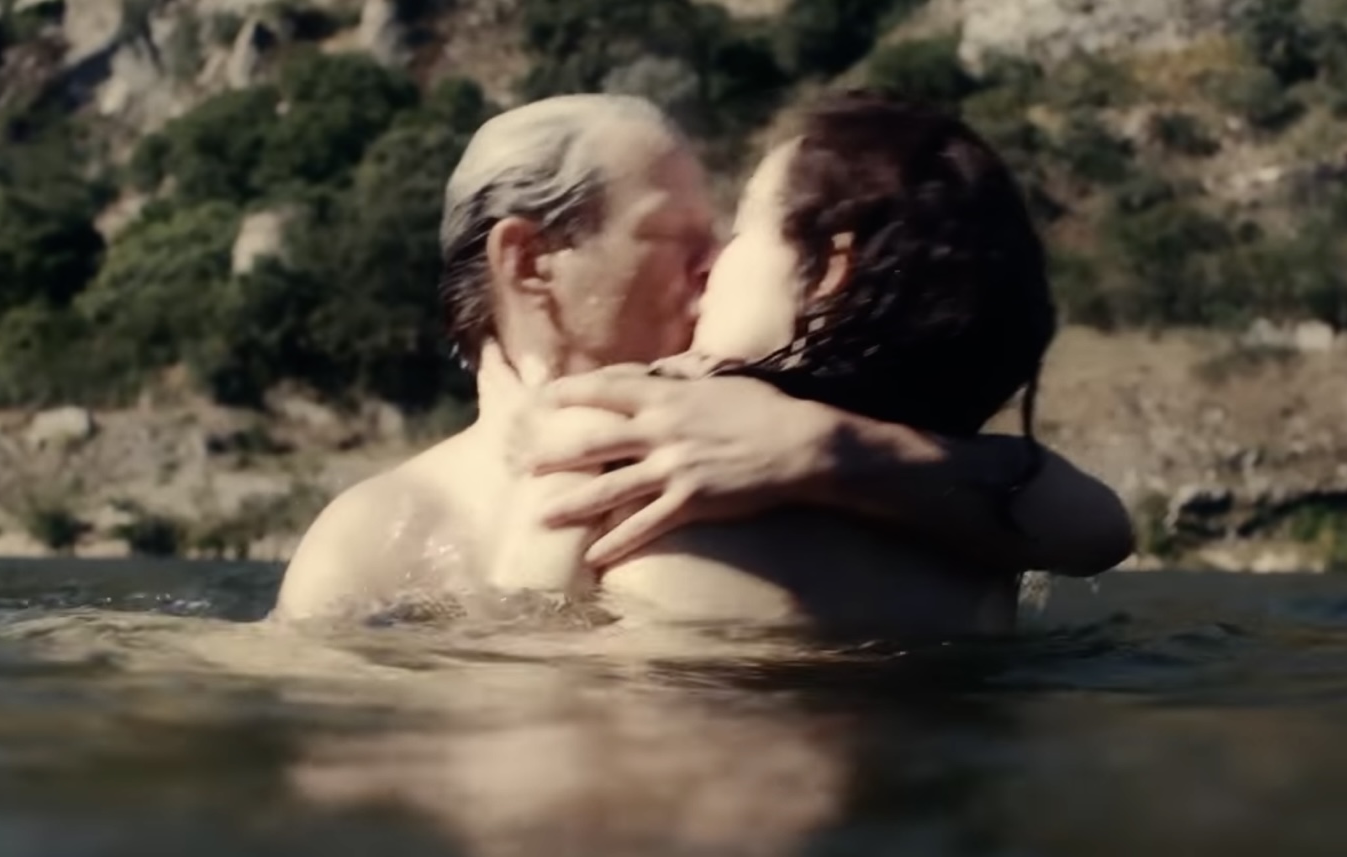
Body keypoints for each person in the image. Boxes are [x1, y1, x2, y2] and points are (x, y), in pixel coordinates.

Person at [271, 93, 1133, 627]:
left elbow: (1092, 526)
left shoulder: (852, 448)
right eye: (673, 238)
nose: (712, 264)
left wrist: (823, 451)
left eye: (729, 235)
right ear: (529, 261)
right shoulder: (371, 534)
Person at [488, 91, 1062, 635]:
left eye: (739, 230)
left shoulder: (621, 423)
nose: (711, 263)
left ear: (831, 269)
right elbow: (1087, 525)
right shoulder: (982, 510)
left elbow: (518, 628)